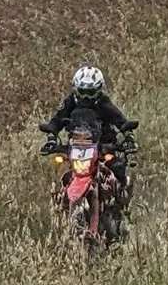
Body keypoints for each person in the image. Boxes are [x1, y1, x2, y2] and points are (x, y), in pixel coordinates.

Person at [40, 65, 138, 199]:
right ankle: (61, 200)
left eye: (90, 93)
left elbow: (119, 119)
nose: (86, 97)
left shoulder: (103, 102)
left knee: (117, 166)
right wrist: (51, 136)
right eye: (82, 91)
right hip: (76, 144)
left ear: (98, 90)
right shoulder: (71, 101)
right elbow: (57, 119)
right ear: (76, 88)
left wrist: (128, 135)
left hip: (103, 143)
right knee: (62, 166)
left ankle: (121, 193)